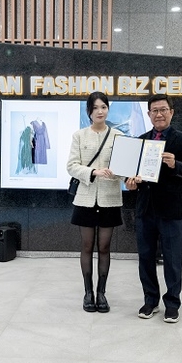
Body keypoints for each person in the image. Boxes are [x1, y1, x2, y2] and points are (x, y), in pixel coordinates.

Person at [125, 94, 182, 323]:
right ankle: (150, 300)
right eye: (154, 111)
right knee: (145, 258)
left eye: (163, 110)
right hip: (145, 210)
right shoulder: (140, 141)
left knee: (173, 260)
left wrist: (175, 164)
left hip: (171, 211)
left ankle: (172, 304)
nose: (159, 114)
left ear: (171, 112)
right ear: (148, 114)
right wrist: (131, 183)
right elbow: (133, 175)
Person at [67, 91, 123, 313]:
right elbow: (72, 166)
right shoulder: (79, 136)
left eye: (104, 107)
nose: (100, 111)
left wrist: (119, 174)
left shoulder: (118, 136)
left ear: (108, 109)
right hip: (85, 198)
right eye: (95, 107)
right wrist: (93, 172)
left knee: (105, 247)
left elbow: (124, 168)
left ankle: (102, 293)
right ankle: (88, 292)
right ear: (89, 111)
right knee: (87, 246)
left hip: (110, 198)